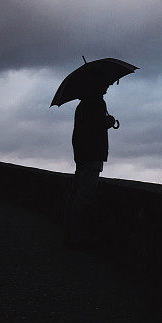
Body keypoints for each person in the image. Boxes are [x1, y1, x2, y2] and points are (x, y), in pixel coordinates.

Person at [64, 77, 118, 247]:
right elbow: (94, 127)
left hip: (83, 154)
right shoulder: (96, 103)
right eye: (105, 83)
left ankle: (72, 235)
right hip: (92, 154)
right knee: (84, 195)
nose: (108, 86)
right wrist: (107, 123)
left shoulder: (84, 103)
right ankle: (77, 237)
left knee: (78, 194)